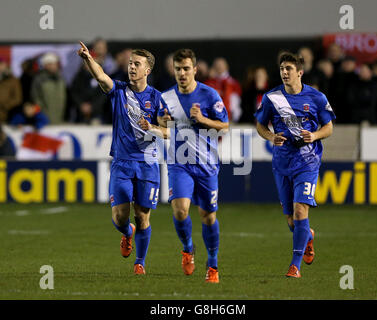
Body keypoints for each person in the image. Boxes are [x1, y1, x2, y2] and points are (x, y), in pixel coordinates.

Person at [77, 41, 167, 275]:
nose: (132, 67)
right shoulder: (119, 90)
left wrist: (154, 128)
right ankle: (127, 233)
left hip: (147, 164)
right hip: (122, 163)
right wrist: (88, 58)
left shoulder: (157, 98)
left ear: (147, 70)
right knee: (120, 216)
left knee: (143, 214)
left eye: (137, 64)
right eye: (130, 63)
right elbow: (101, 77)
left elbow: (170, 131)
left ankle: (140, 262)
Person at [255, 52, 335, 278]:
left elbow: (328, 128)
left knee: (301, 211)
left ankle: (295, 266)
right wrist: (271, 138)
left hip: (307, 162)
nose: (284, 72)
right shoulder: (272, 98)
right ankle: (307, 236)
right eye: (282, 69)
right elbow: (260, 126)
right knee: (292, 220)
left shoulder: (316, 97)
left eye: (289, 69)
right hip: (282, 162)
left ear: (299, 72)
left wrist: (315, 135)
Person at [157, 49, 229, 283]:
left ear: (195, 69)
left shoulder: (209, 95)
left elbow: (225, 126)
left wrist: (204, 120)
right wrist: (161, 121)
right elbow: (160, 120)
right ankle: (188, 248)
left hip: (206, 165)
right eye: (178, 69)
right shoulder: (166, 97)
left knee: (208, 217)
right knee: (180, 210)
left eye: (186, 68)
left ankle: (213, 263)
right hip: (179, 163)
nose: (182, 73)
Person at [30, 52, 67, 124]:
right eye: (51, 64)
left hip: (60, 117)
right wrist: (42, 112)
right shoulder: (39, 79)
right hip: (45, 117)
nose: (54, 66)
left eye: (55, 64)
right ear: (45, 65)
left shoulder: (61, 78)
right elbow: (36, 97)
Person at [205, 57, 242, 122]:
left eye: (221, 65)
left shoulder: (233, 83)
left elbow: (236, 103)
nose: (219, 67)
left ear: (226, 67)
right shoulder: (208, 83)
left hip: (228, 119)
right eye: (217, 65)